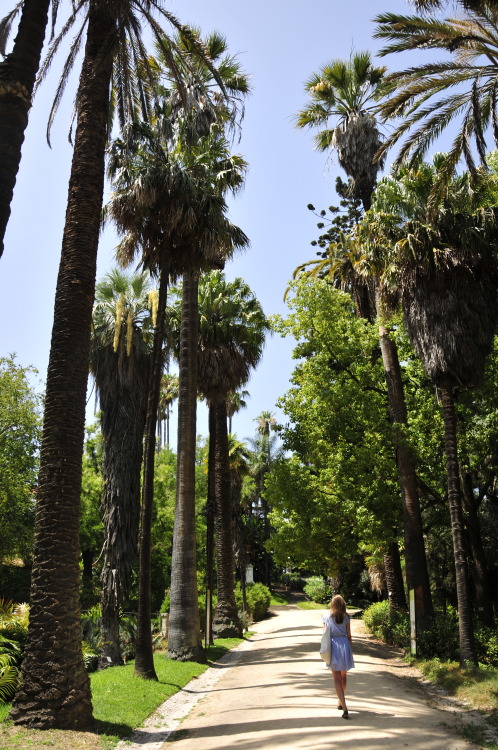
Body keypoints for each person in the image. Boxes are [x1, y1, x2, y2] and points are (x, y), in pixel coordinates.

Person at [322, 594, 354, 719]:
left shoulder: (327, 617)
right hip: (344, 645)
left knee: (336, 678)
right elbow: (349, 635)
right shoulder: (346, 617)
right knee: (344, 675)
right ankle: (340, 701)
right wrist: (349, 649)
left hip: (333, 646)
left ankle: (344, 706)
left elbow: (324, 634)